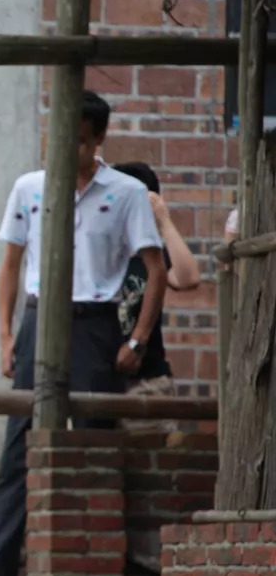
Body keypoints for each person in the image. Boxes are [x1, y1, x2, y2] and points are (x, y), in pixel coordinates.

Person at [0, 91, 168, 576]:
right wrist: (6, 336)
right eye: (57, 134)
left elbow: (156, 271)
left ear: (96, 140)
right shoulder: (30, 188)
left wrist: (137, 338)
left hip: (95, 326)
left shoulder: (128, 191)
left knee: (94, 441)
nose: (63, 146)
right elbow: (10, 265)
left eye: (78, 138)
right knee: (18, 448)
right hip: (38, 317)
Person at [112, 161, 201, 433]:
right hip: (97, 375)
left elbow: (188, 278)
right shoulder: (96, 247)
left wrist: (163, 221)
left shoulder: (150, 254)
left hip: (147, 381)